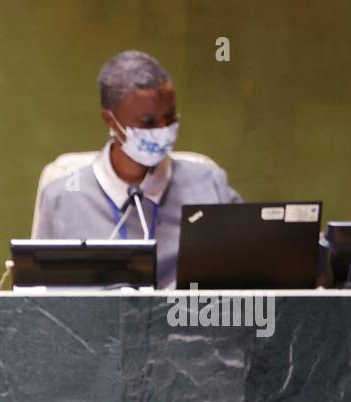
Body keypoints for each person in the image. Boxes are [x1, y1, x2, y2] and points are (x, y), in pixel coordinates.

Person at [34, 50, 242, 289]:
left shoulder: (210, 186)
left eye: (170, 116)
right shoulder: (63, 199)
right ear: (111, 121)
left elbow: (247, 275)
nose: (164, 128)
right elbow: (42, 303)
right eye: (148, 121)